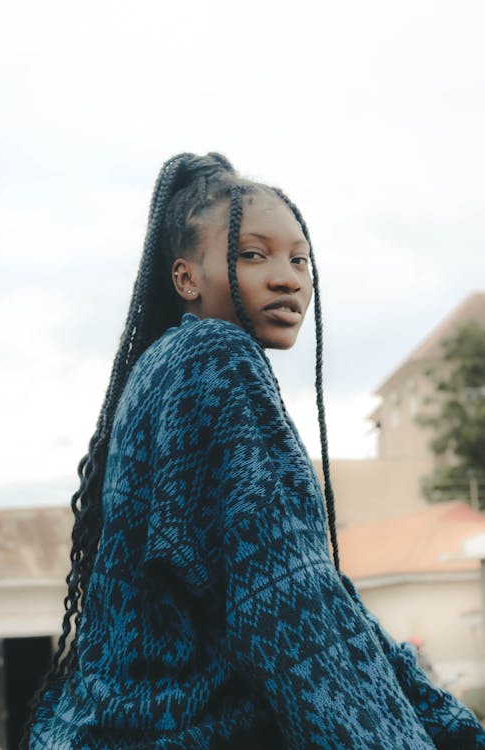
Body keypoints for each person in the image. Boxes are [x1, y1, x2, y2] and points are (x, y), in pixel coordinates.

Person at [24, 153, 485, 749]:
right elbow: (286, 601)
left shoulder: (159, 368)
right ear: (187, 278)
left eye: (300, 259)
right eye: (252, 254)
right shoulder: (219, 358)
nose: (287, 277)